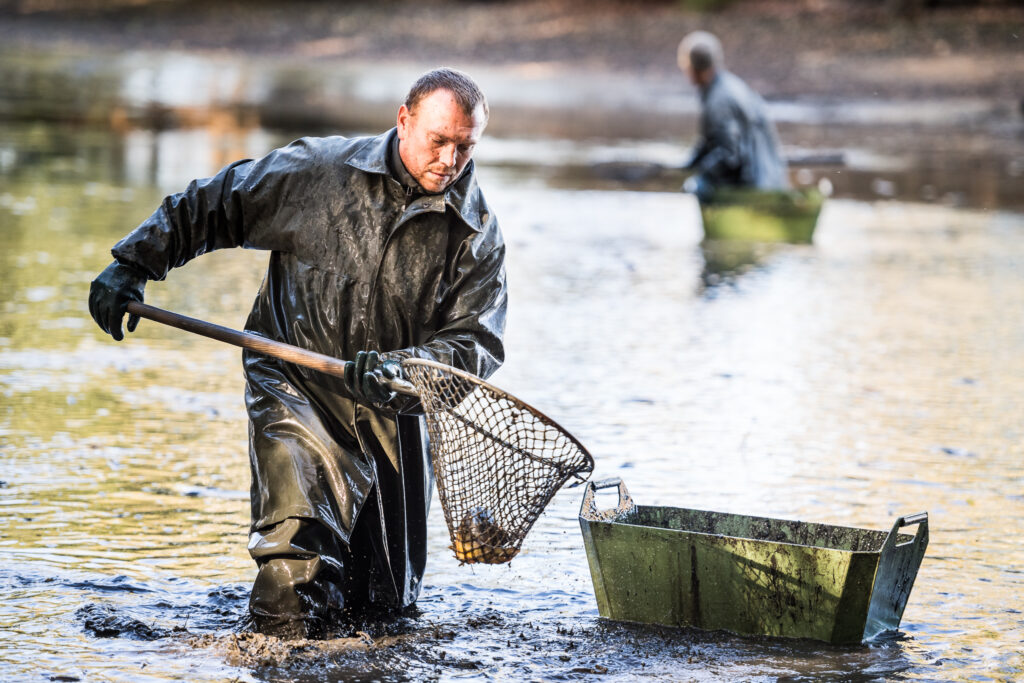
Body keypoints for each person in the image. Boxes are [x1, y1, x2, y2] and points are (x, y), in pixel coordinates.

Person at [87, 67, 508, 638]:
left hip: (396, 413)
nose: (450, 159)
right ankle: (274, 656)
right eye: (439, 140)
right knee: (295, 565)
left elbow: (477, 344)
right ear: (404, 121)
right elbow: (220, 202)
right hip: (295, 388)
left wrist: (405, 370)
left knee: (385, 607)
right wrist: (135, 261)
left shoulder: (476, 232)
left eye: (466, 145)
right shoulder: (319, 172)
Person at [677, 31, 789, 204]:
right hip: (771, 177)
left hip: (757, 184)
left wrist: (701, 172)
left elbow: (730, 154)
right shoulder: (728, 84)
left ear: (692, 68)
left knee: (697, 186)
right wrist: (693, 160)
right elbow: (712, 141)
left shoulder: (720, 99)